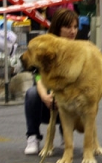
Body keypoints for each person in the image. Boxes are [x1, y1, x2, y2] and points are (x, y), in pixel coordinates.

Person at [24, 8, 79, 154]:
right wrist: (45, 97)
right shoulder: (45, 49)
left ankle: (66, 131)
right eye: (68, 27)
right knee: (32, 94)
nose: (72, 31)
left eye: (75, 27)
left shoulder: (80, 51)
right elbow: (38, 77)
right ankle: (33, 136)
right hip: (48, 106)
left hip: (69, 104)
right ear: (57, 28)